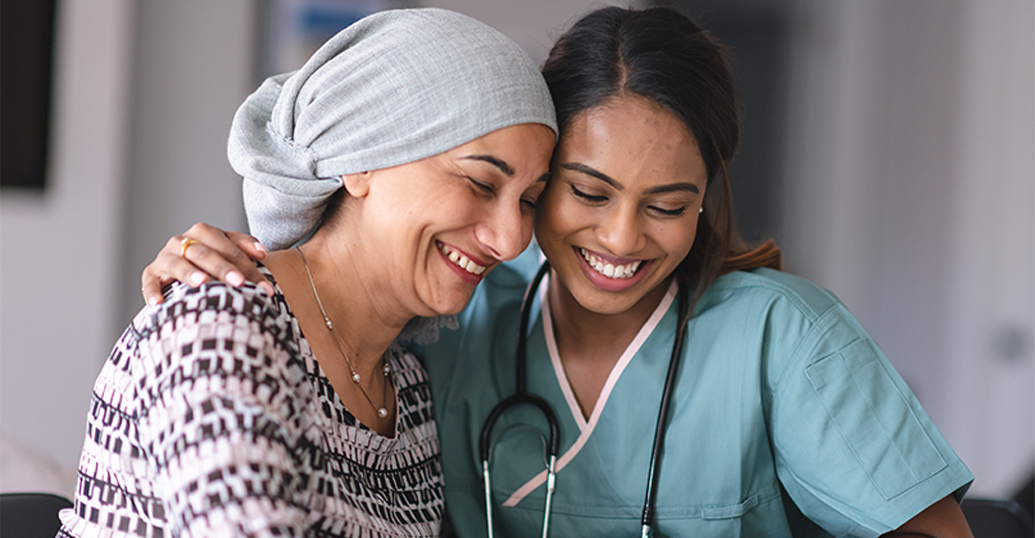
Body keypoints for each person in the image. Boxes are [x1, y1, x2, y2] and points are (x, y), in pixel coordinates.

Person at [139, 6, 975, 537]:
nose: (621, 236)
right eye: (584, 190)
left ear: (706, 201)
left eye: (667, 203)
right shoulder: (449, 328)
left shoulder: (781, 337)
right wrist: (221, 282)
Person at [59, 8, 556, 537]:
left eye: (529, 200)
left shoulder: (407, 387)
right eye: (481, 184)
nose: (510, 239)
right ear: (363, 159)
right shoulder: (220, 328)